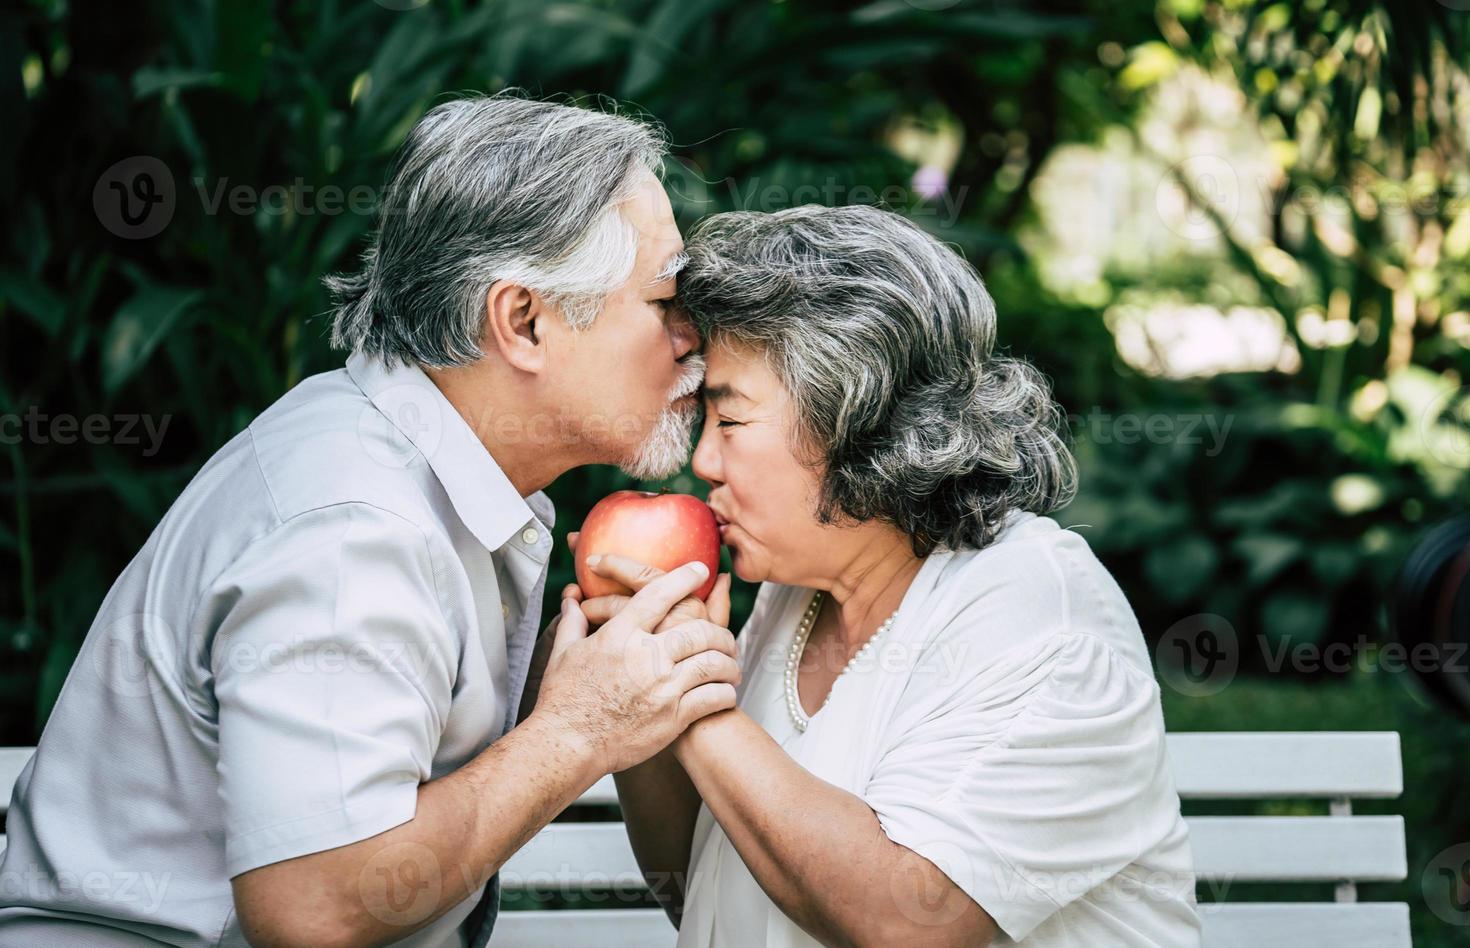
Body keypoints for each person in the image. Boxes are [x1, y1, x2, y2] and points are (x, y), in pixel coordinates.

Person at [0, 95, 740, 947]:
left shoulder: (404, 458)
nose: (694, 334)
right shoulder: (353, 527)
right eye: (663, 298)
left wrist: (581, 684)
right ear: (524, 321)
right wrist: (575, 730)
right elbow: (314, 911)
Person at [577, 204, 1202, 946]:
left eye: (732, 420)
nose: (702, 462)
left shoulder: (1040, 612)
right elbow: (701, 875)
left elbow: (907, 921)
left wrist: (690, 692)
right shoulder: (798, 590)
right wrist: (646, 694)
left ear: (859, 421)